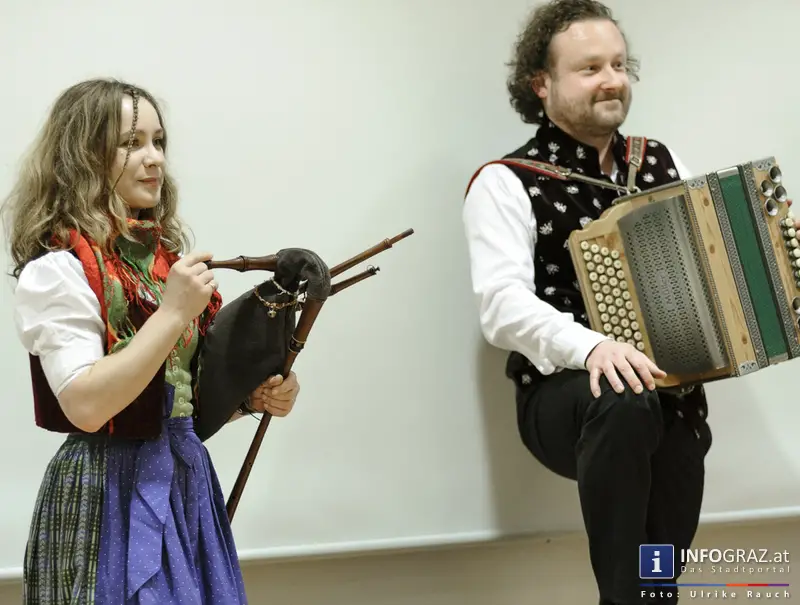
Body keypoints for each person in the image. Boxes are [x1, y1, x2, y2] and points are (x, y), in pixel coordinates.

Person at [1, 78, 300, 604]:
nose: (153, 159)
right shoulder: (58, 272)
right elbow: (88, 405)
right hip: (103, 495)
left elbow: (180, 394)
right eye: (130, 144)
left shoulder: (159, 266)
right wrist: (172, 314)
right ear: (82, 157)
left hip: (183, 486)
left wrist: (251, 397)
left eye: (158, 142)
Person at [462, 2, 712, 604]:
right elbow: (501, 305)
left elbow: (708, 265)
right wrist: (595, 346)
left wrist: (773, 251)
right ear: (540, 84)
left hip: (669, 396)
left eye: (620, 64)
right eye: (590, 67)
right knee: (624, 399)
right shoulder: (505, 180)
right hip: (563, 398)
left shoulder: (660, 162)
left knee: (661, 574)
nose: (612, 79)